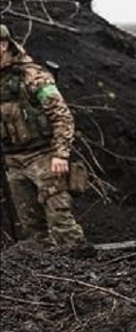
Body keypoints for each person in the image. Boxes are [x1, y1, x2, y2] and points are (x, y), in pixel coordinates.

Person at [0, 23, 85, 246]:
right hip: (13, 161)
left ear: (3, 45)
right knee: (32, 230)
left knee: (61, 223)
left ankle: (81, 271)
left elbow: (62, 115)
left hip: (44, 158)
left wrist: (60, 154)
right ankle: (47, 278)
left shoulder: (32, 75)